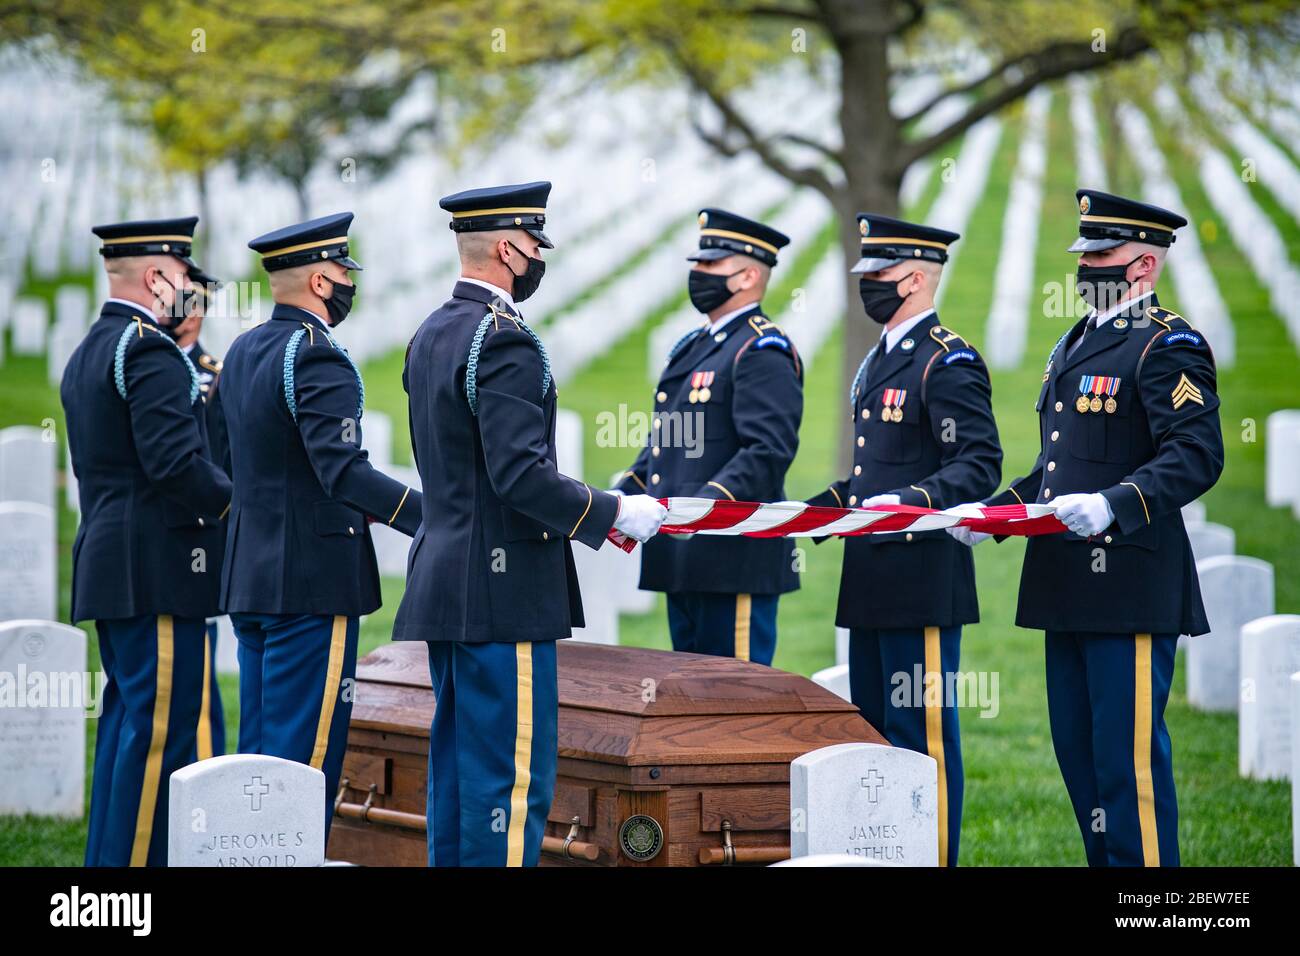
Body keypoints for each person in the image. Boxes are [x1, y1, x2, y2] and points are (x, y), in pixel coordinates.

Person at [392, 181, 667, 866]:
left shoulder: (433, 332)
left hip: (447, 585)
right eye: (536, 244)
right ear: (511, 248)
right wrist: (611, 512)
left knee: (459, 777)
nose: (541, 256)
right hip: (502, 593)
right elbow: (518, 475)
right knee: (510, 785)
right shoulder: (503, 338)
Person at [949, 189, 1224, 866]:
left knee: (1124, 771)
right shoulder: (1076, 341)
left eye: (1103, 254)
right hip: (1065, 584)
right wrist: (997, 515)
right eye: (1085, 254)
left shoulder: (1168, 346)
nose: (1087, 266)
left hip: (1127, 583)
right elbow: (1055, 467)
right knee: (1079, 764)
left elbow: (1196, 454)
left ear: (1145, 267)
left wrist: (1117, 501)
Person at [219, 212, 423, 840]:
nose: (347, 284)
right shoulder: (317, 356)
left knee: (257, 753)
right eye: (341, 272)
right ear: (317, 282)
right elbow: (343, 471)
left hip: (251, 577)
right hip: (309, 581)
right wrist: (430, 518)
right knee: (302, 763)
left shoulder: (244, 349)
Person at [806, 214, 1001, 866]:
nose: (867, 285)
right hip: (871, 577)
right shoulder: (883, 356)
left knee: (922, 740)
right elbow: (874, 471)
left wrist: (910, 503)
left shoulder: (947, 360)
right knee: (873, 735)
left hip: (920, 579)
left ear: (915, 278)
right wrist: (823, 508)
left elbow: (978, 463)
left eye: (879, 274)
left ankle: (934, 856)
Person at [63, 217, 232, 866]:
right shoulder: (148, 349)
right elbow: (174, 465)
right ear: (159, 275)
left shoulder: (95, 346)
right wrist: (238, 513)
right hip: (156, 568)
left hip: (117, 567)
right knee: (160, 739)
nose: (189, 288)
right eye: (184, 275)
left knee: (129, 731)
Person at [615, 208, 802, 665]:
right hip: (681, 554)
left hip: (731, 553)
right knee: (695, 708)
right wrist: (621, 496)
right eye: (697, 263)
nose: (697, 273)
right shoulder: (694, 346)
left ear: (748, 276)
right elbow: (668, 439)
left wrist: (705, 505)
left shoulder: (762, 349)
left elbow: (768, 449)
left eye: (710, 265)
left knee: (735, 703)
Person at [175, 262, 229, 760]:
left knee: (201, 666)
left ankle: (210, 763)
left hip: (202, 529)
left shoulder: (216, 376)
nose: (187, 315)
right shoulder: (144, 362)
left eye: (197, 305)